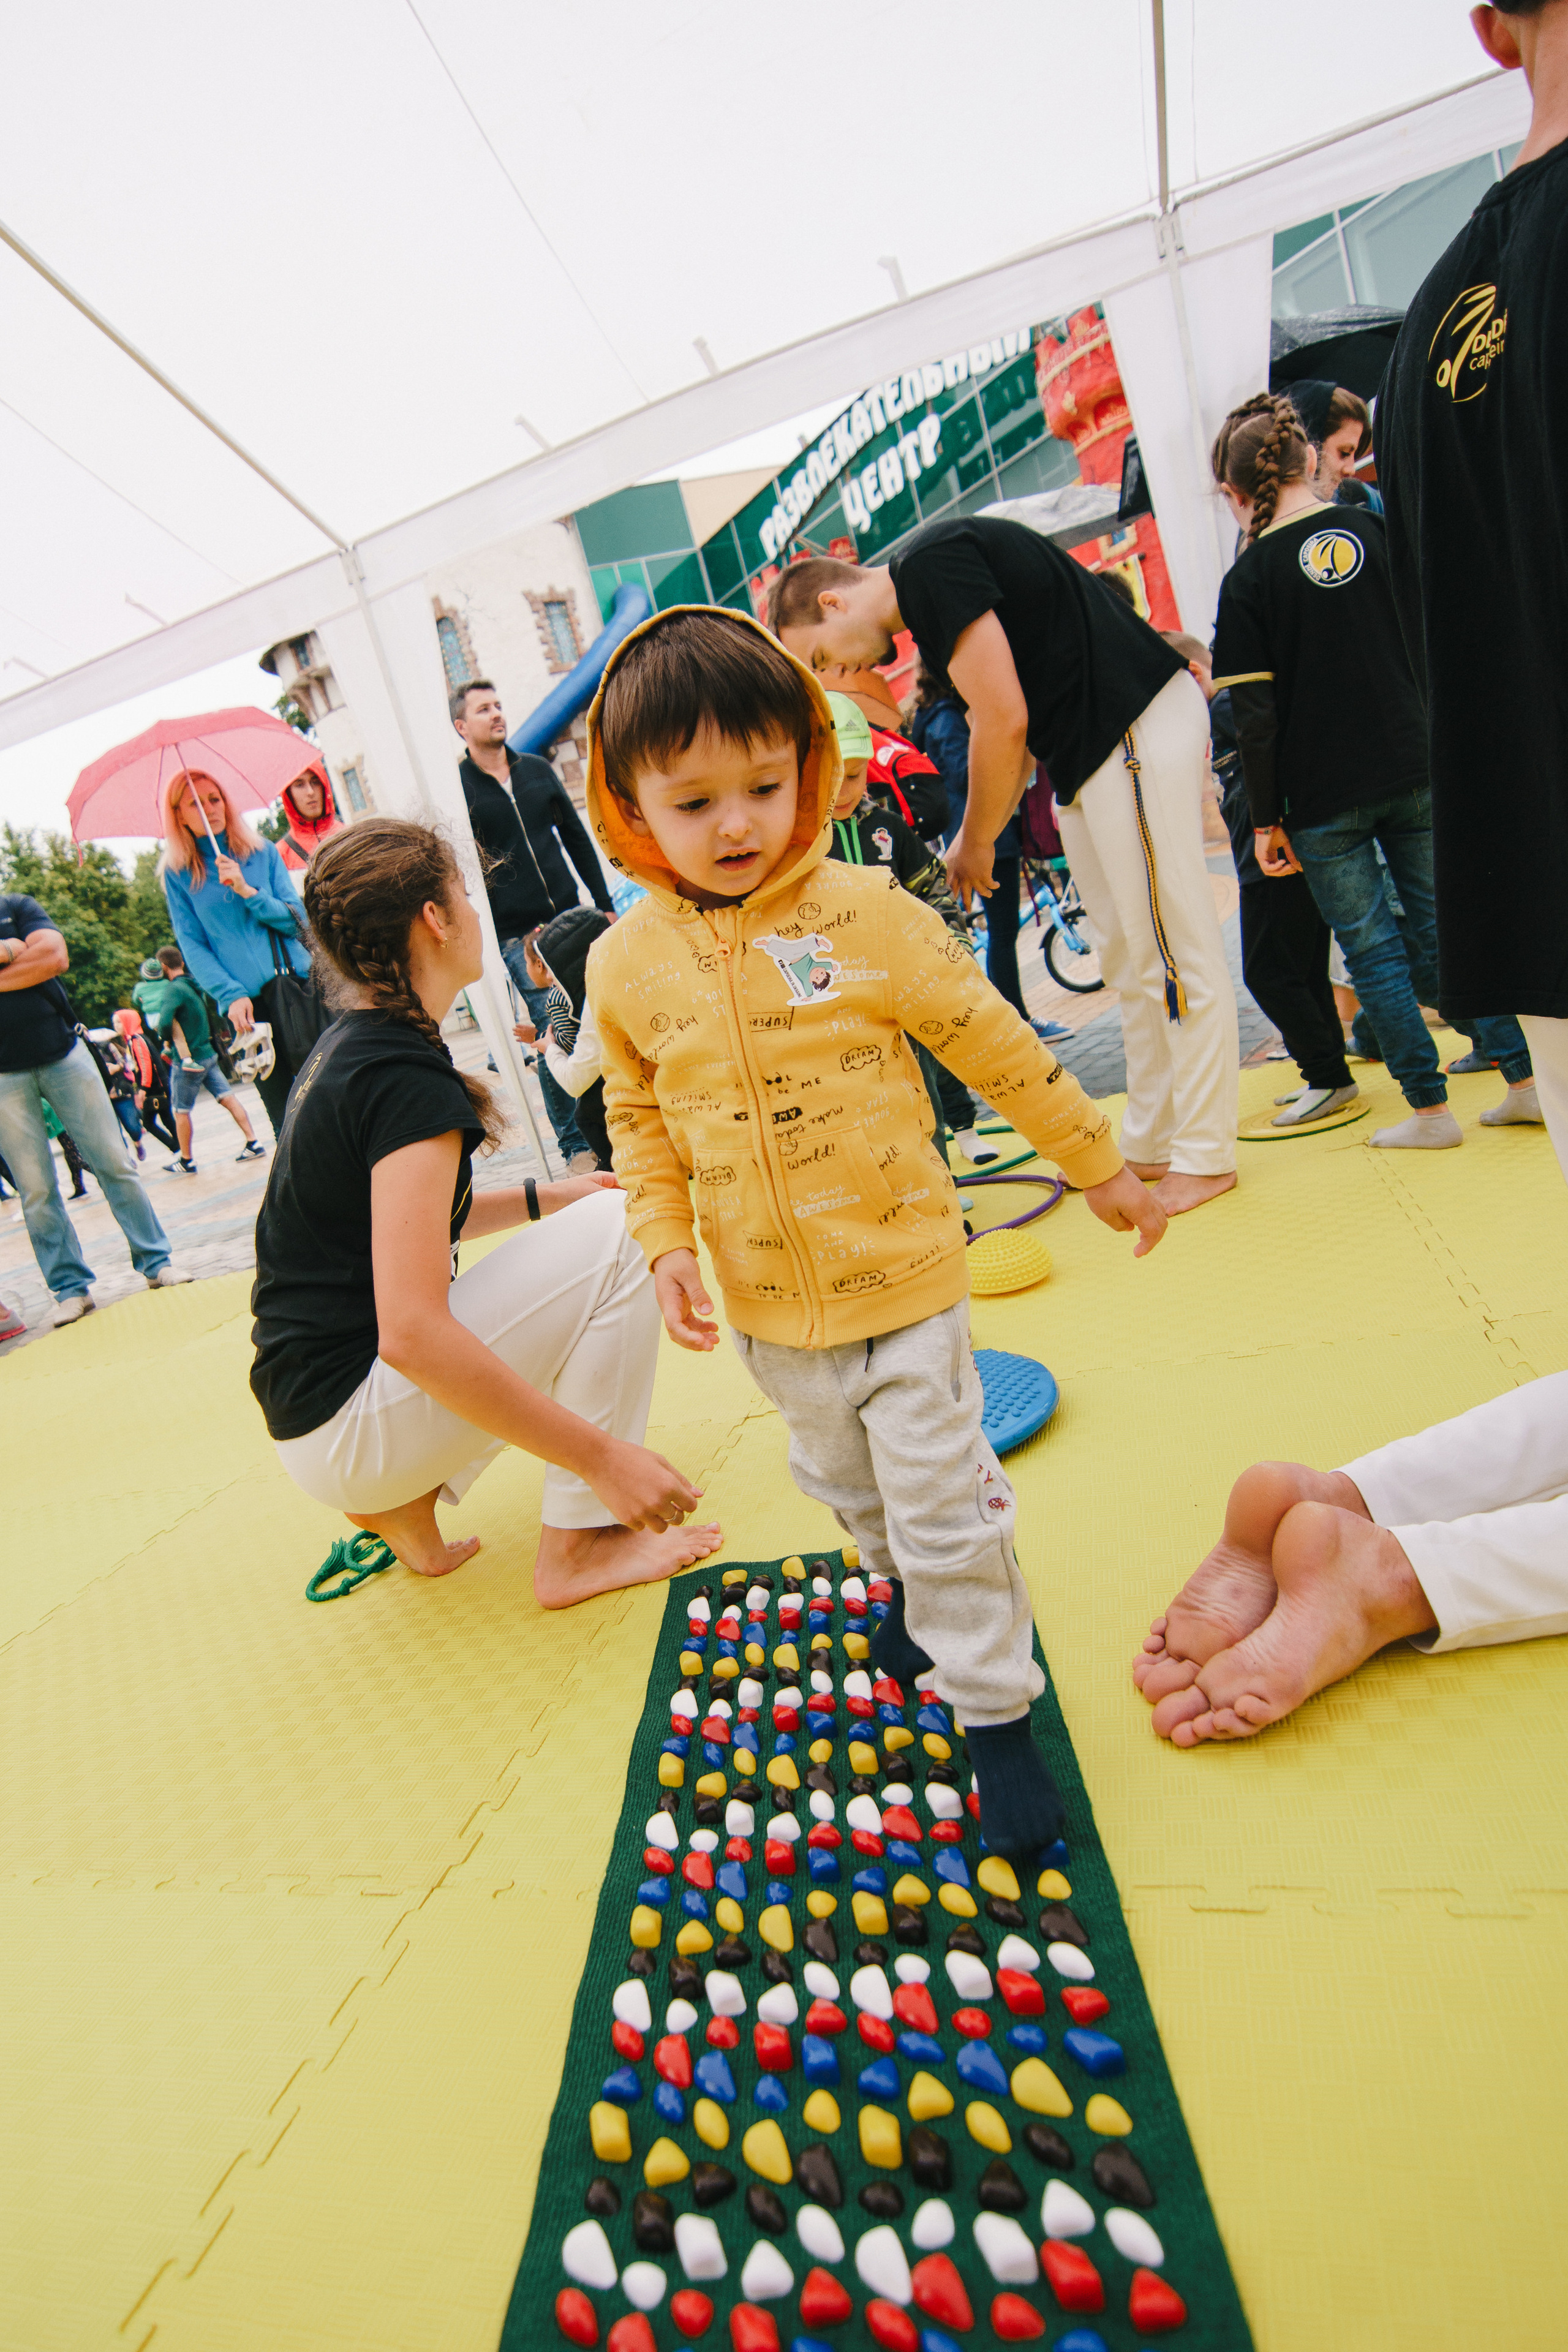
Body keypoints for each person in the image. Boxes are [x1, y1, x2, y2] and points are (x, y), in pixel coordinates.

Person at [1132, 0, 1568, 1747]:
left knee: (1376, 950)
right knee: (1380, 942)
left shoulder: (1447, 308)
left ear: (1489, 29)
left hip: (1532, 865)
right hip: (1438, 818)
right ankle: (1402, 1574)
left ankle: (1354, 1499)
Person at [583, 606, 1167, 1861]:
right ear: (631, 809)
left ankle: (995, 1720)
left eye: (761, 784)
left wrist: (1096, 1162)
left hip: (902, 1274)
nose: (736, 823)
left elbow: (989, 1038)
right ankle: (898, 1586)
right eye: (692, 804)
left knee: (940, 1495)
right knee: (844, 1486)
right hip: (765, 1301)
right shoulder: (624, 963)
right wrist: (663, 1240)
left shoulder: (864, 913)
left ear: (807, 763)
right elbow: (634, 1113)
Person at [251, 816, 722, 1600]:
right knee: (620, 1231)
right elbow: (410, 1334)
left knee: (589, 1214)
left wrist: (549, 1195)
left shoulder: (354, 1047)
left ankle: (404, 1510)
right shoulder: (400, 1076)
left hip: (314, 1417)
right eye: (463, 895)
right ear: (432, 920)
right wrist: (602, 1462)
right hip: (350, 1423)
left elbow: (400, 1226)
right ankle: (579, 1547)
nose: (474, 912)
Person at [772, 530, 1240, 1215]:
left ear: (833, 600)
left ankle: (1205, 1153)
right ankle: (1154, 1138)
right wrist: (976, 837)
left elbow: (1002, 718)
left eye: (820, 656)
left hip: (1129, 725)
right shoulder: (930, 597)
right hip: (1087, 751)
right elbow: (1009, 716)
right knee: (1127, 955)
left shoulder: (926, 568)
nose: (839, 673)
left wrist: (976, 840)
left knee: (1170, 949)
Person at [1208, 391, 1509, 1146]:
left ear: (1235, 493)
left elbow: (1255, 718)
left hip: (1321, 795)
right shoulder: (1373, 528)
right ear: (1310, 459)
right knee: (1448, 928)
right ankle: (1524, 1076)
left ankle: (1430, 1111)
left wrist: (1266, 819)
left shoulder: (1246, 582)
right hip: (1415, 759)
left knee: (1372, 951)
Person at [1172, 631, 1357, 1125]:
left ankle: (1327, 1076)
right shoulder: (1227, 709)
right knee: (1301, 969)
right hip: (1275, 856)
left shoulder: (1227, 707)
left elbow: (1273, 765)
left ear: (1191, 676)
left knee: (1267, 972)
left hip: (1271, 860)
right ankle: (1328, 1071)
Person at [0, 888, 187, 1325]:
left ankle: (156, 1262)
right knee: (37, 1190)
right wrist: (14, 954)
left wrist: (12, 949)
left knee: (114, 1163)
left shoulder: (17, 907)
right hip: (4, 1075)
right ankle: (69, 1288)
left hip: (65, 1054)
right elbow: (37, 960)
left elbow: (55, 958)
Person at [452, 677, 617, 1172]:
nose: (496, 714)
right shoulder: (460, 789)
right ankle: (574, 1145)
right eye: (483, 709)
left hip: (571, 918)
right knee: (553, 1027)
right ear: (461, 726)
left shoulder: (539, 771)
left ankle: (613, 1120)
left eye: (499, 705)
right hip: (518, 933)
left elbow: (577, 840)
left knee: (598, 1015)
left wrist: (603, 904)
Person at [821, 692, 985, 1160]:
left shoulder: (888, 828)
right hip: (840, 1000)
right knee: (864, 1101)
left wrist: (953, 942)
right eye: (829, 776)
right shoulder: (801, 845)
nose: (842, 789)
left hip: (903, 984)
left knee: (921, 1085)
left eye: (853, 775)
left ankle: (941, 1184)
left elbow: (932, 886)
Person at [159, 768, 317, 1137]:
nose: (209, 808)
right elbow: (192, 945)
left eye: (215, 799)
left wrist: (248, 891)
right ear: (178, 815)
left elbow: (299, 923)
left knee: (329, 1091)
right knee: (283, 1114)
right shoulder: (178, 873)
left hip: (298, 990)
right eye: (195, 803)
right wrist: (230, 994)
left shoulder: (261, 852)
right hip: (245, 1009)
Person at [137, 945, 265, 1172]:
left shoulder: (173, 990)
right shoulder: (195, 986)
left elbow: (165, 1023)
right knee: (228, 1097)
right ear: (182, 963)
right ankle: (253, 1142)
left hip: (189, 1060)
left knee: (181, 1110)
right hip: (208, 1053)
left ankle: (186, 1160)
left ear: (164, 967)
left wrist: (164, 1037)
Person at [533, 905, 614, 1169]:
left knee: (587, 1108)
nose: (550, 979)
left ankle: (617, 1173)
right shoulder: (617, 974)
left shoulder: (598, 998)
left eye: (551, 970)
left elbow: (576, 1081)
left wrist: (549, 1049)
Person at [111, 1006, 179, 1156]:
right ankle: (182, 1150)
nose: (116, 1026)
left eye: (119, 1022)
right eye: (114, 1023)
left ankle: (176, 1147)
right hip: (158, 1086)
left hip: (154, 1088)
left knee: (149, 1123)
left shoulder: (137, 1041)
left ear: (128, 1022)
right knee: (167, 1119)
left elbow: (145, 1066)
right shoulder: (135, 1040)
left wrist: (142, 1089)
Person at [274, 763, 346, 872]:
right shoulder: (281, 855)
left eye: (316, 782)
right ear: (288, 793)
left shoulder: (351, 836)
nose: (310, 792)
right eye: (299, 785)